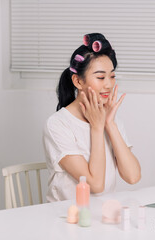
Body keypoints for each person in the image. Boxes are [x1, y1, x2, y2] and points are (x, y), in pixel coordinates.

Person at [43, 33, 141, 202]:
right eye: (101, 77)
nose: (109, 84)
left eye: (112, 76)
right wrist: (97, 127)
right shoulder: (57, 124)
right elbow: (95, 185)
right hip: (68, 217)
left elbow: (133, 177)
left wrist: (109, 124)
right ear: (78, 81)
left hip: (104, 216)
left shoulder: (111, 119)